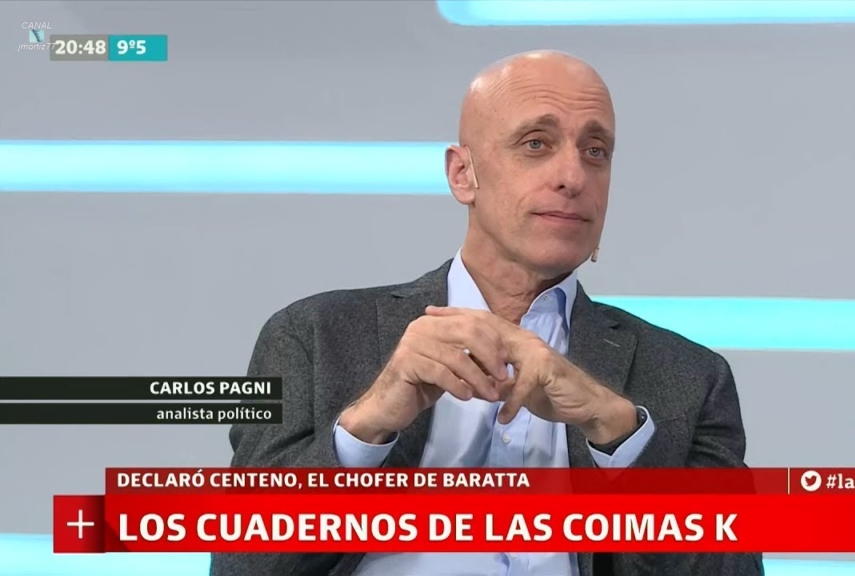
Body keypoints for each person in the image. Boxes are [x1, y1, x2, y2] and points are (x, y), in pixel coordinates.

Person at [211, 50, 763, 576]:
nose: (574, 177)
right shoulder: (311, 336)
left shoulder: (691, 377)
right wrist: (366, 427)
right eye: (536, 143)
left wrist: (618, 435)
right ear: (462, 174)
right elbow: (242, 563)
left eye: (596, 151)